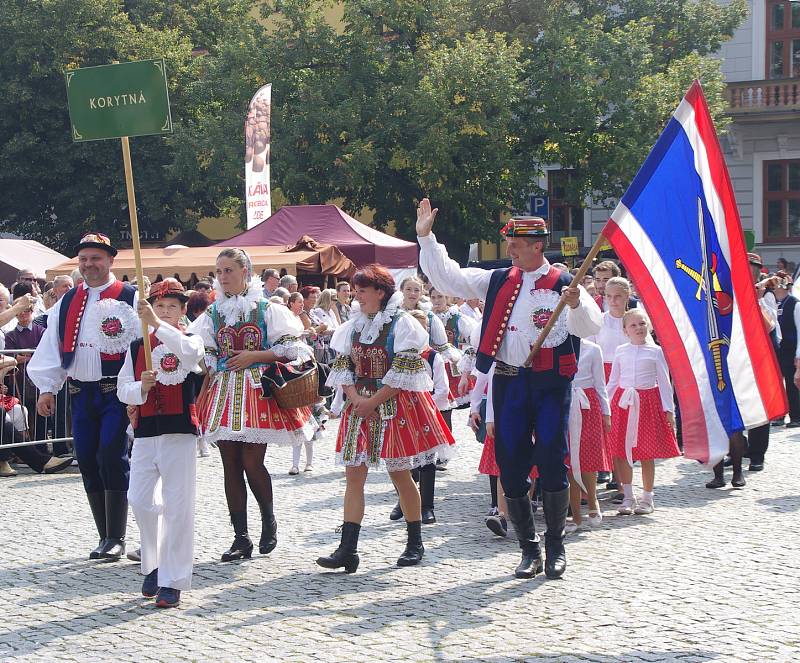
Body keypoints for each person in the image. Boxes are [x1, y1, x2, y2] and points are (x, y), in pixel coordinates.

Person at [417, 200, 601, 580]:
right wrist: (426, 237)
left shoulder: (566, 283)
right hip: (508, 380)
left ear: (537, 244)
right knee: (511, 465)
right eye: (510, 242)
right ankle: (528, 548)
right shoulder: (499, 279)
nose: (509, 248)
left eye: (515, 242)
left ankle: (555, 545)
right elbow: (449, 278)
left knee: (552, 456)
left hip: (551, 384)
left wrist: (577, 302)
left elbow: (588, 329)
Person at [316, 265, 455, 573]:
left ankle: (414, 541)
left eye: (362, 290)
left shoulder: (403, 325)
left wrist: (372, 402)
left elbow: (403, 374)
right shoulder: (351, 327)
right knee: (353, 476)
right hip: (361, 406)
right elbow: (343, 368)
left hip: (393, 405)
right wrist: (355, 400)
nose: (357, 296)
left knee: (400, 474)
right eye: (356, 290)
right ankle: (348, 548)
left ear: (380, 292)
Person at [188, 248, 315, 562]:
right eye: (219, 271)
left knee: (252, 461)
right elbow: (201, 350)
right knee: (229, 463)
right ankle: (240, 536)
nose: (222, 276)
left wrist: (254, 356)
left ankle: (268, 520)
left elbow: (290, 349)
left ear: (245, 271)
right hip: (223, 391)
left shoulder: (266, 308)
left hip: (257, 391)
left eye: (228, 270)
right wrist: (211, 362)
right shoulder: (213, 313)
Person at [29, 233, 139, 560]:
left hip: (114, 392)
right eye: (84, 259)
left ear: (110, 261)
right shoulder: (68, 300)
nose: (89, 264)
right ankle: (104, 535)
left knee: (111, 454)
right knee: (87, 458)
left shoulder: (129, 296)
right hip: (80, 392)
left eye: (96, 258)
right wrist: (48, 387)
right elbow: (52, 343)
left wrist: (137, 391)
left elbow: (139, 347)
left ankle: (116, 536)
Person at [117, 279, 204, 608]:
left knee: (178, 507)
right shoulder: (138, 346)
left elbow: (191, 354)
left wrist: (157, 324)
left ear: (182, 310)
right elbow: (122, 388)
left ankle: (173, 580)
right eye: (159, 306)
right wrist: (141, 386)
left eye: (172, 306)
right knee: (139, 500)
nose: (165, 311)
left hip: (179, 432)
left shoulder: (190, 339)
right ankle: (153, 565)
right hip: (144, 433)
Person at [607, 309, 680, 515]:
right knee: (621, 451)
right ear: (625, 331)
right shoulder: (621, 351)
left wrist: (668, 409)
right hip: (623, 404)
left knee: (647, 452)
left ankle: (647, 497)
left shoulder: (655, 351)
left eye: (642, 324)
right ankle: (628, 495)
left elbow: (665, 383)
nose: (638, 328)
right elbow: (613, 381)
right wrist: (606, 405)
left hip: (647, 403)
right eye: (633, 325)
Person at [565, 339, 610, 533]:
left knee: (589, 457)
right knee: (569, 460)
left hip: (588, 404)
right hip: (564, 402)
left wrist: (606, 413)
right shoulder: (558, 346)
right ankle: (574, 516)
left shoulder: (593, 349)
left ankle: (592, 501)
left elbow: (600, 384)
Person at [773, 276, 800, 427]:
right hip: (779, 350)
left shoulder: (795, 304)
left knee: (791, 384)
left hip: (790, 349)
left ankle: (796, 415)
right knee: (777, 383)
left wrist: (798, 354)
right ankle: (780, 414)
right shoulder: (773, 303)